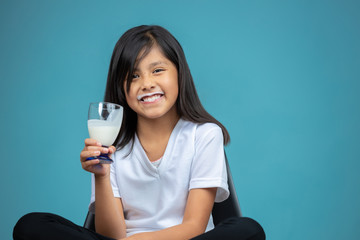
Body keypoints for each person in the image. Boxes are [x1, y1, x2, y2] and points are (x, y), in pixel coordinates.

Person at [13, 25, 265, 240]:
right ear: (121, 88)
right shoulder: (111, 143)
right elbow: (110, 234)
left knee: (248, 230)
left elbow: (194, 227)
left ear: (179, 73)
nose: (146, 83)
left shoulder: (205, 135)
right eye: (133, 75)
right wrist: (102, 175)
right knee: (30, 225)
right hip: (124, 238)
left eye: (157, 70)